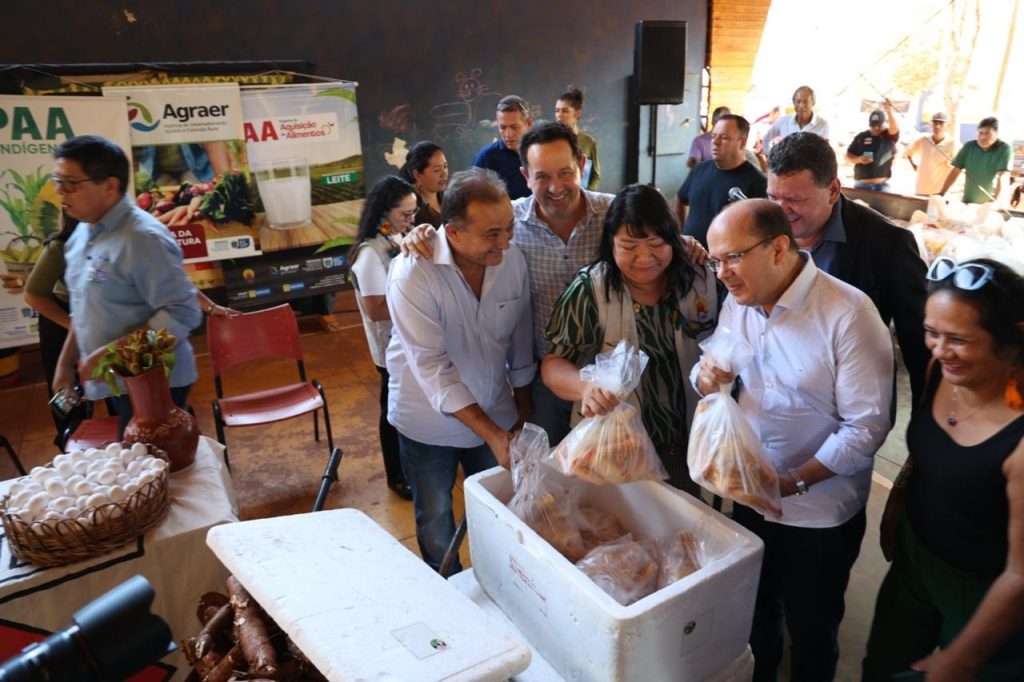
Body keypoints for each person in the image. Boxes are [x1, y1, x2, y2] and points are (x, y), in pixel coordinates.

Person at [696, 198, 894, 682]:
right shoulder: (740, 301)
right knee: (756, 614)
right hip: (748, 494)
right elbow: (709, 374)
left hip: (818, 515)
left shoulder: (847, 313)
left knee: (812, 630)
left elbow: (866, 427)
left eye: (733, 257)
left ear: (779, 247)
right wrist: (706, 376)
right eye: (716, 260)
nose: (722, 273)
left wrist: (791, 484)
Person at [863, 257, 1024, 682]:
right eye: (931, 332)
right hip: (916, 559)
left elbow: (1020, 574)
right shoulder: (941, 370)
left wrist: (962, 658)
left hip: (988, 586)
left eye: (959, 339)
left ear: (1011, 340)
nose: (937, 349)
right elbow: (925, 456)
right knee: (882, 667)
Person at [386, 167, 534, 573]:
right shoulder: (413, 273)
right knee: (436, 518)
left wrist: (521, 419)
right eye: (491, 234)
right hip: (428, 422)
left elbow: (520, 342)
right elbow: (433, 368)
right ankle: (448, 591)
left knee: (499, 512)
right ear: (452, 232)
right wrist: (495, 435)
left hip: (496, 412)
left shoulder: (511, 260)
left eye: (508, 229)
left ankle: (504, 586)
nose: (504, 242)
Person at [541, 184, 716, 491]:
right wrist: (585, 387)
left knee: (687, 524)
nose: (644, 257)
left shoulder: (700, 278)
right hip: (619, 445)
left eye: (656, 243)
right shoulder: (591, 289)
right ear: (611, 244)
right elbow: (553, 365)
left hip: (694, 438)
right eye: (629, 246)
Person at [50, 135, 202, 435]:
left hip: (155, 381)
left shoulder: (142, 238)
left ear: (109, 185)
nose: (60, 192)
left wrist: (110, 353)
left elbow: (182, 313)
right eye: (58, 181)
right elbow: (83, 306)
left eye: (71, 183)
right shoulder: (83, 231)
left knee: (151, 470)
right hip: (115, 379)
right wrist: (65, 365)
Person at [767, 131, 930, 405]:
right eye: (773, 197)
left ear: (832, 190)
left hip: (848, 410)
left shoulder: (888, 245)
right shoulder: (761, 227)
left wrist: (925, 438)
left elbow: (919, 347)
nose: (782, 211)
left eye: (795, 200)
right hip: (775, 402)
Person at [348, 176, 419, 501]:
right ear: (384, 212)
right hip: (388, 346)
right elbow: (376, 309)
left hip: (409, 340)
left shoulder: (397, 238)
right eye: (405, 214)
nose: (411, 221)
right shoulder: (369, 254)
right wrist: (420, 300)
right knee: (390, 412)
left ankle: (412, 462)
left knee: (408, 406)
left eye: (413, 213)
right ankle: (397, 474)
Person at [676, 114, 767, 248]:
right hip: (689, 256)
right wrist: (681, 234)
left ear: (742, 142)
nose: (716, 142)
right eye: (713, 136)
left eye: (724, 137)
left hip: (723, 263)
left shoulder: (757, 182)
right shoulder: (699, 170)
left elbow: (762, 231)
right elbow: (680, 199)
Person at [940, 116, 1014, 205]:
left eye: (987, 134)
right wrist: (942, 192)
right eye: (980, 133)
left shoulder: (1004, 149)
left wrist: (995, 202)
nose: (983, 137)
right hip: (968, 202)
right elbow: (955, 170)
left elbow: (1003, 176)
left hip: (992, 204)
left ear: (996, 134)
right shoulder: (969, 147)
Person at [472, 95, 532, 200]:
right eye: (503, 127)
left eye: (514, 127)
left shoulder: (541, 152)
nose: (508, 134)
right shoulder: (486, 157)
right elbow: (473, 199)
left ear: (528, 123)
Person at [846, 101, 901, 191]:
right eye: (873, 125)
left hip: (882, 186)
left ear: (884, 123)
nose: (876, 128)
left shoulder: (889, 136)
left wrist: (889, 111)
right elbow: (848, 156)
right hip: (861, 185)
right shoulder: (861, 137)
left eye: (879, 125)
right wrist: (859, 159)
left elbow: (894, 128)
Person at [554, 86, 600, 190]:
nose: (559, 115)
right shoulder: (549, 140)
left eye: (565, 111)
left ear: (577, 113)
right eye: (557, 111)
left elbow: (595, 175)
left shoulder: (589, 142)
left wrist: (588, 195)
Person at [762, 86, 830, 154]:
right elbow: (766, 139)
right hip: (787, 164)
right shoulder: (783, 121)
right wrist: (770, 157)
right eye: (798, 101)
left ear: (813, 103)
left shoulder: (823, 125)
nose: (801, 105)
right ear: (794, 103)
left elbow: (824, 152)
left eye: (805, 102)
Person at [904, 111, 958, 197]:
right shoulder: (923, 140)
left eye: (941, 123)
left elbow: (957, 167)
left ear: (947, 125)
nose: (937, 126)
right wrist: (915, 166)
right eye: (935, 122)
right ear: (931, 125)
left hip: (939, 193)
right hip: (921, 189)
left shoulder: (952, 144)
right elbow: (907, 153)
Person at [400, 141, 448, 228]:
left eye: (445, 166)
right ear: (417, 174)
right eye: (437, 170)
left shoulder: (447, 197)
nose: (444, 174)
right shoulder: (410, 207)